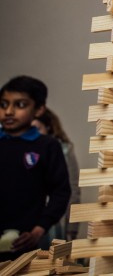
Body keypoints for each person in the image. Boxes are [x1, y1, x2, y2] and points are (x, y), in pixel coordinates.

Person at [0, 76, 71, 260]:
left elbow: (61, 192)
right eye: (3, 104)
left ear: (39, 109)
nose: (8, 111)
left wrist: (38, 230)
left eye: (20, 105)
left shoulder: (47, 146)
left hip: (27, 242)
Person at [32, 108, 81, 244]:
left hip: (51, 221)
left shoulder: (62, 150)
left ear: (48, 128)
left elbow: (72, 191)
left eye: (37, 129)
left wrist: (72, 229)